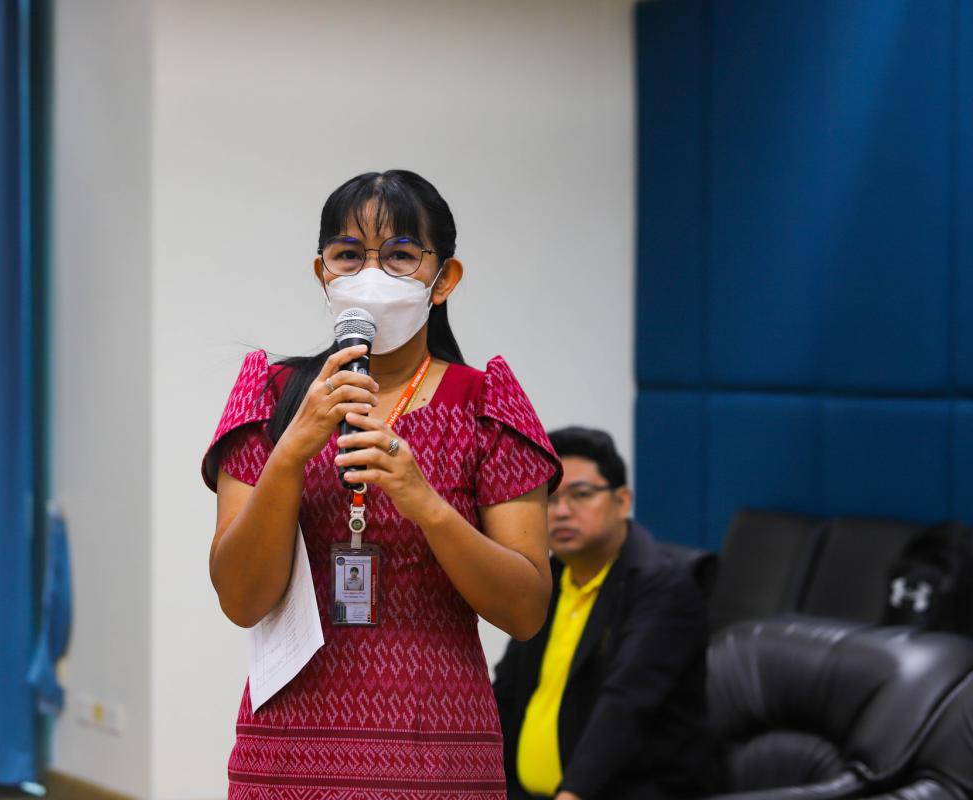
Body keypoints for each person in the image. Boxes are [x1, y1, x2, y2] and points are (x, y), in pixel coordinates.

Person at [203, 170, 562, 799]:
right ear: (323, 273)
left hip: (437, 751)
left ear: (443, 279)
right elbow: (240, 599)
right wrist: (291, 454)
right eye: (349, 255)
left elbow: (526, 612)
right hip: (288, 752)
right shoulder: (271, 395)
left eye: (399, 255)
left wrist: (427, 505)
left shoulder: (484, 406)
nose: (372, 275)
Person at [492, 427, 715, 800]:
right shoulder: (551, 578)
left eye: (581, 494)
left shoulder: (664, 587)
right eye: (549, 498)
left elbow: (627, 703)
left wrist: (572, 795)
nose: (562, 511)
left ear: (622, 501)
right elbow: (507, 691)